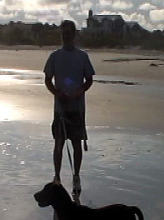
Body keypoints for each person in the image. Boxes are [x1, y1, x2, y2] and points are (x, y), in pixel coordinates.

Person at [43, 20, 95, 196]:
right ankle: (57, 176)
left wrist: (79, 91)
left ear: (74, 34)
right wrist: (57, 93)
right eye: (63, 34)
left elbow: (89, 79)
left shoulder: (82, 56)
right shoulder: (54, 56)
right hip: (60, 110)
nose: (66, 37)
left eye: (69, 34)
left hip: (77, 109)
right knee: (58, 144)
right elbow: (47, 79)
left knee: (76, 144)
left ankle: (76, 176)